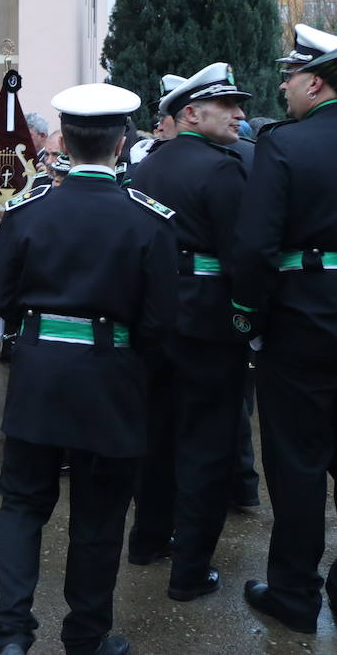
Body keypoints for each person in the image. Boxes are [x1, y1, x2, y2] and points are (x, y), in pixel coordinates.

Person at [0, 83, 177, 655]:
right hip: (111, 377)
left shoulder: (27, 213)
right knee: (99, 513)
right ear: (122, 143)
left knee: (22, 504)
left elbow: (3, 298)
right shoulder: (150, 220)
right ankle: (86, 636)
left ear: (64, 141)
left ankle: (12, 634)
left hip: (40, 373)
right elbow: (159, 321)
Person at [125, 62, 251, 603]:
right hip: (206, 323)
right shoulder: (223, 170)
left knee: (155, 435)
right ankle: (190, 570)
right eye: (228, 108)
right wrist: (252, 317)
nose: (240, 116)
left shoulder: (145, 168)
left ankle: (147, 539)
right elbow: (243, 254)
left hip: (153, 318)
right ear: (191, 113)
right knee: (206, 444)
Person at [231, 25, 337, 634]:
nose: (284, 85)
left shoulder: (284, 144)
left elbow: (254, 246)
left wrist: (249, 315)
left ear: (315, 81)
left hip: (303, 320)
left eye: (291, 75)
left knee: (297, 462)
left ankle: (295, 591)